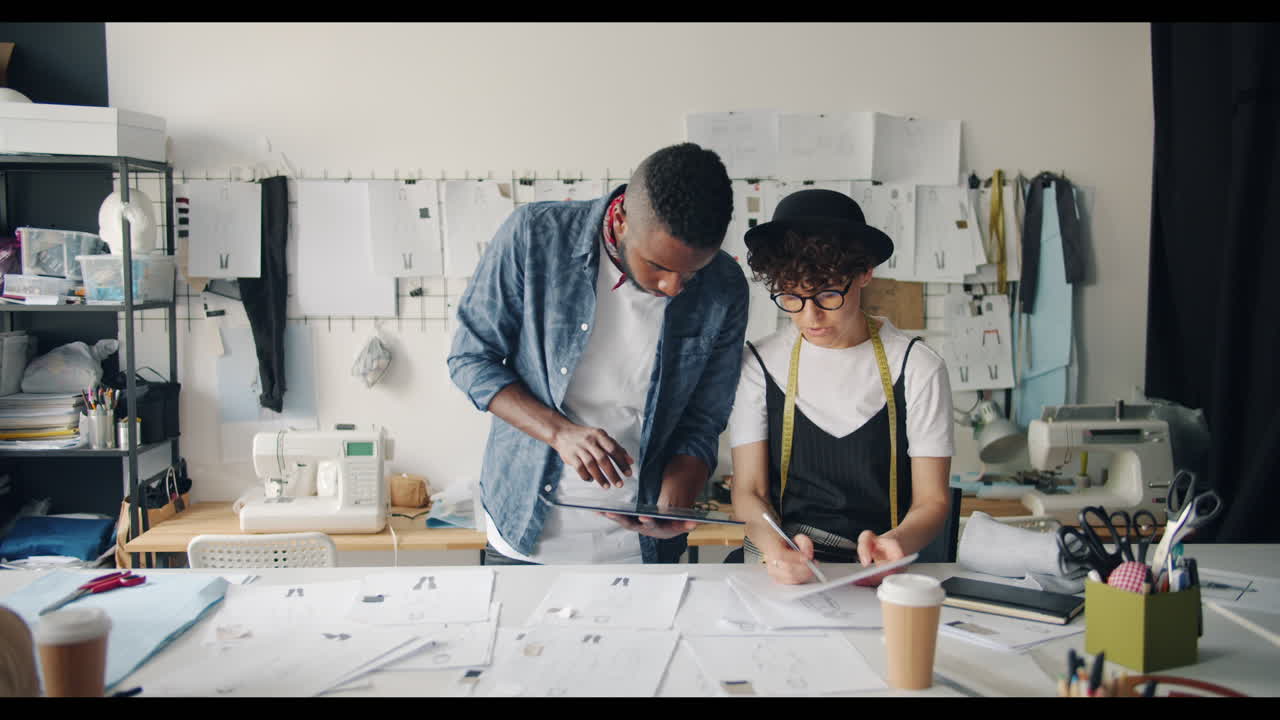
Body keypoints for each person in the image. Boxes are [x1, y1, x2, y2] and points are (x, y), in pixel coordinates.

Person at [448, 143, 748, 565]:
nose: (674, 286)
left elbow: (705, 415)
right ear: (622, 219)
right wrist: (560, 432)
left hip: (642, 549)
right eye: (658, 266)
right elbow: (470, 360)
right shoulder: (535, 236)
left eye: (692, 270)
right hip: (526, 531)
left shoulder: (725, 285)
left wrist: (678, 491)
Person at [726, 189, 954, 584]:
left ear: (864, 273)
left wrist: (895, 542)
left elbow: (932, 501)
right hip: (784, 565)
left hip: (879, 569)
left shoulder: (917, 366)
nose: (810, 316)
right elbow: (749, 491)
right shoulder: (760, 365)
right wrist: (774, 545)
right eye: (791, 297)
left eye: (828, 294)